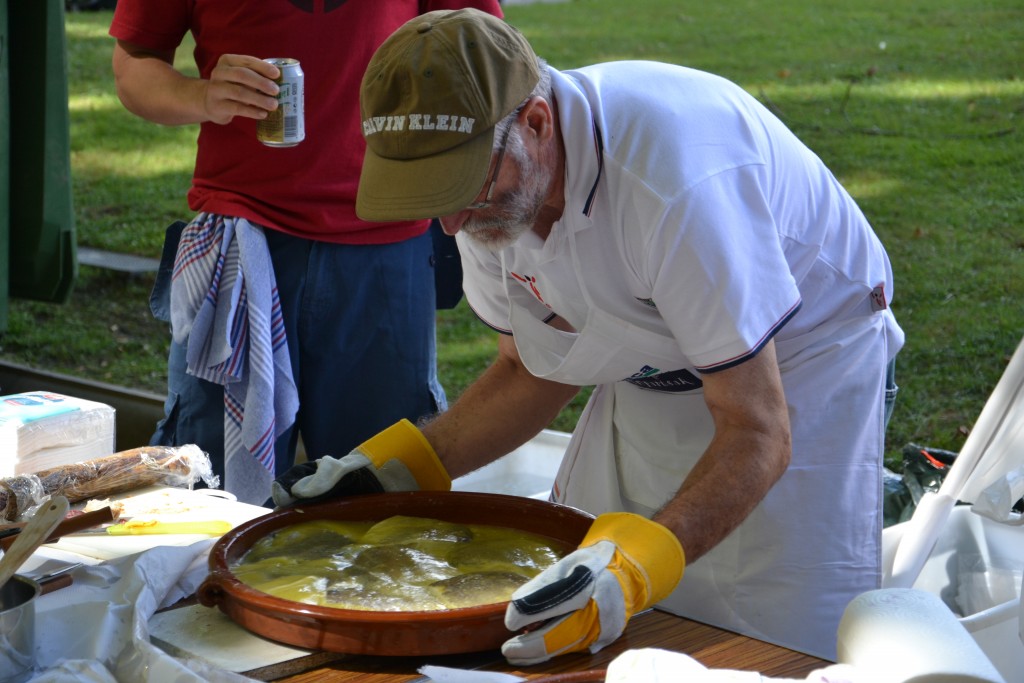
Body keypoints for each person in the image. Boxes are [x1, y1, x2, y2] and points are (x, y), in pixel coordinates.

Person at [272, 8, 905, 663]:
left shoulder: (673, 183)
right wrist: (391, 469)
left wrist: (637, 569)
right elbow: (530, 370)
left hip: (799, 363)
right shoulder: (494, 196)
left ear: (537, 123)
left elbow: (758, 430)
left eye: (464, 185)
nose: (453, 219)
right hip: (652, 358)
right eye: (433, 194)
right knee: (576, 588)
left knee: (765, 635)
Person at [107, 0, 502, 504]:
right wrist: (201, 95)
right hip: (239, 245)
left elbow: (481, 51)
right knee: (209, 491)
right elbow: (134, 64)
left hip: (384, 242)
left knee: (381, 495)